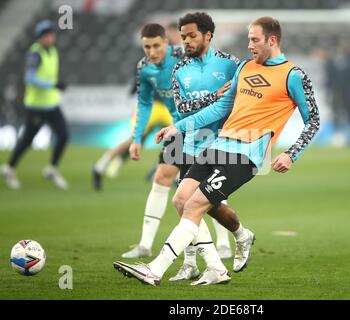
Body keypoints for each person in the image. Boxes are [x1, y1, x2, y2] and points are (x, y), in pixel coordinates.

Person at [114, 16, 320, 287]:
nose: (249, 45)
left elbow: (313, 120)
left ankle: (154, 269)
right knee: (181, 200)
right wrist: (179, 127)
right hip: (218, 145)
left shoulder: (293, 75)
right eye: (248, 39)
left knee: (196, 205)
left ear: (272, 40)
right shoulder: (244, 67)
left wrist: (290, 154)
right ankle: (222, 260)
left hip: (246, 154)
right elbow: (221, 108)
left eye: (255, 40)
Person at [119, 23, 237, 275]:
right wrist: (136, 138)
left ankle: (223, 243)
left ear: (167, 43)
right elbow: (144, 102)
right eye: (146, 47)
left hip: (201, 128)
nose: (151, 52)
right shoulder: (145, 68)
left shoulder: (184, 57)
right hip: (177, 131)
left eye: (156, 46)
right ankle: (146, 245)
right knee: (168, 182)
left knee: (201, 189)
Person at [1, 20, 69, 190]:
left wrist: (53, 86)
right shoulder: (35, 54)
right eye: (46, 34)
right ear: (40, 37)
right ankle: (9, 168)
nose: (50, 37)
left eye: (51, 34)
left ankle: (52, 169)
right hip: (36, 106)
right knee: (27, 140)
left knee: (63, 135)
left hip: (51, 104)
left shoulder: (52, 51)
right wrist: (52, 85)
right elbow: (29, 78)